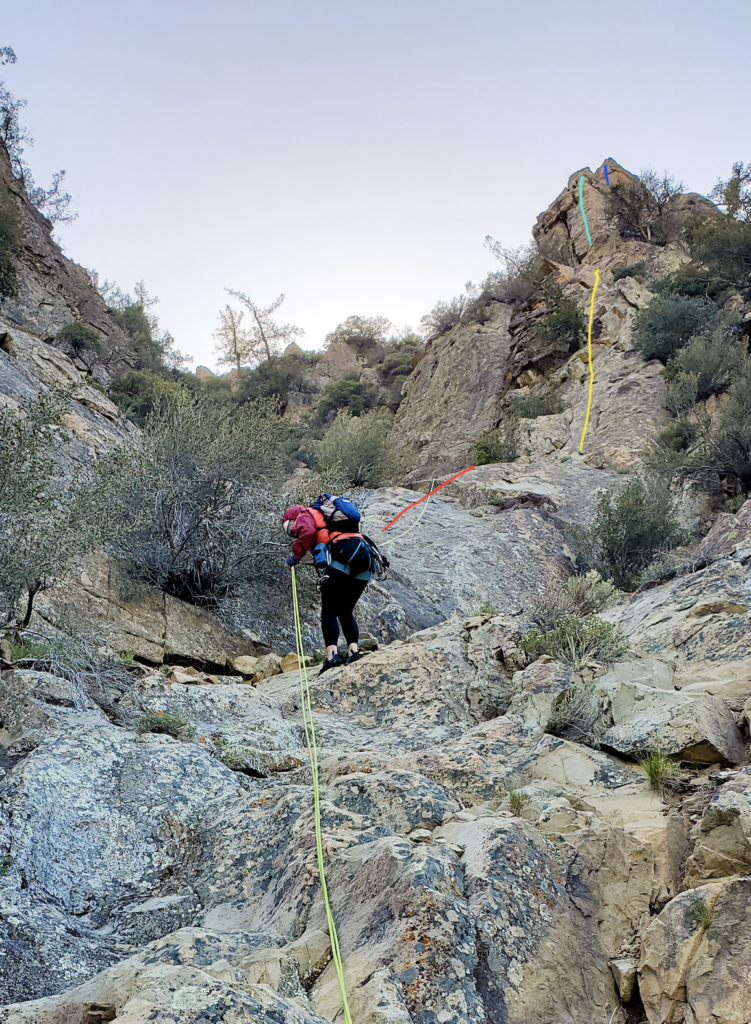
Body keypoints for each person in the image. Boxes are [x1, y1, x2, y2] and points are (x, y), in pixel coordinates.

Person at [282, 502, 373, 674]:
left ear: (291, 518)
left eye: (290, 530)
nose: (293, 533)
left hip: (342, 554)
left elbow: (307, 532)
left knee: (329, 611)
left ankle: (332, 656)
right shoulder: (333, 520)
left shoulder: (304, 514)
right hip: (365, 556)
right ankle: (353, 652)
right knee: (346, 611)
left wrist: (295, 558)